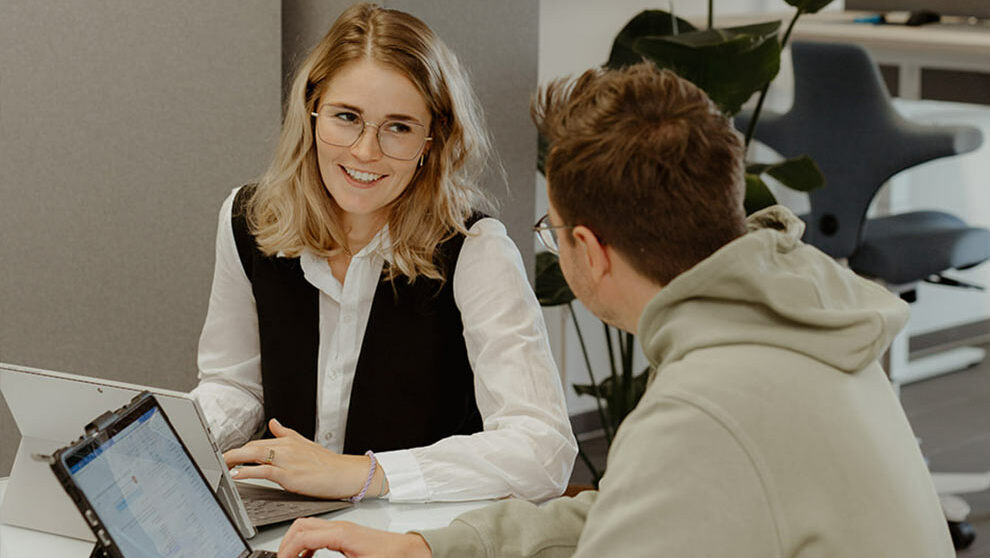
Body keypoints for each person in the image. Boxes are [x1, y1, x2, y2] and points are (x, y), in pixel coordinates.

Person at [274, 62, 955, 557]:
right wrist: (428, 547)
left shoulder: (705, 404)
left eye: (552, 229)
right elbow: (620, 511)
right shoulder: (787, 316)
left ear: (590, 252)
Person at [189, 2, 576, 505]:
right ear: (311, 112)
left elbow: (543, 450)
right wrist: (173, 442)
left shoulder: (476, 248)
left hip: (414, 532)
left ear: (432, 139)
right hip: (289, 521)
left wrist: (361, 474)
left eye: (398, 126)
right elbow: (235, 385)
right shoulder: (246, 220)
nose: (366, 152)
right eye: (347, 117)